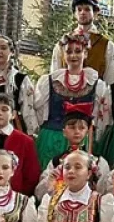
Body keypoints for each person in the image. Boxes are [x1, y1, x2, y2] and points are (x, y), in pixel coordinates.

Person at [32, 34, 108, 169]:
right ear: (63, 54)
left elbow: (98, 117)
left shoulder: (97, 84)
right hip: (51, 138)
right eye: (69, 51)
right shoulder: (49, 81)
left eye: (78, 51)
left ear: (85, 54)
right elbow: (38, 111)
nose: (73, 56)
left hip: (81, 139)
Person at [34, 104, 112, 199]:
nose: (77, 131)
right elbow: (39, 194)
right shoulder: (56, 162)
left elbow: (104, 192)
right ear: (64, 132)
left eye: (81, 128)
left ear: (87, 132)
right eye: (72, 127)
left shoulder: (98, 162)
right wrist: (51, 180)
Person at [49, 0, 114, 84]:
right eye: (79, 10)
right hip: (65, 95)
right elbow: (55, 75)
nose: (82, 12)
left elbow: (112, 79)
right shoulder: (63, 43)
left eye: (87, 9)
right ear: (75, 14)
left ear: (94, 13)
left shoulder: (107, 46)